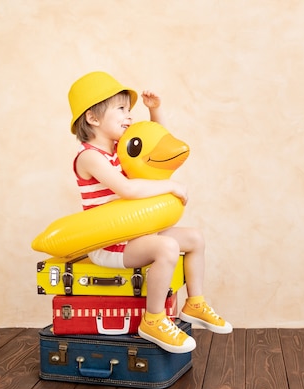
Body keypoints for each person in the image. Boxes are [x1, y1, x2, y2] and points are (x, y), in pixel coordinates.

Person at [68, 71, 232, 353]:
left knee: (194, 238)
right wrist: (171, 186)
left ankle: (195, 303)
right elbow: (127, 190)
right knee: (166, 248)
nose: (129, 116)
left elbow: (154, 143)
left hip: (133, 235)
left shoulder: (119, 148)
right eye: (120, 109)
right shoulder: (90, 157)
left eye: (129, 110)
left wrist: (155, 110)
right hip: (110, 245)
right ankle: (153, 319)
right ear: (93, 118)